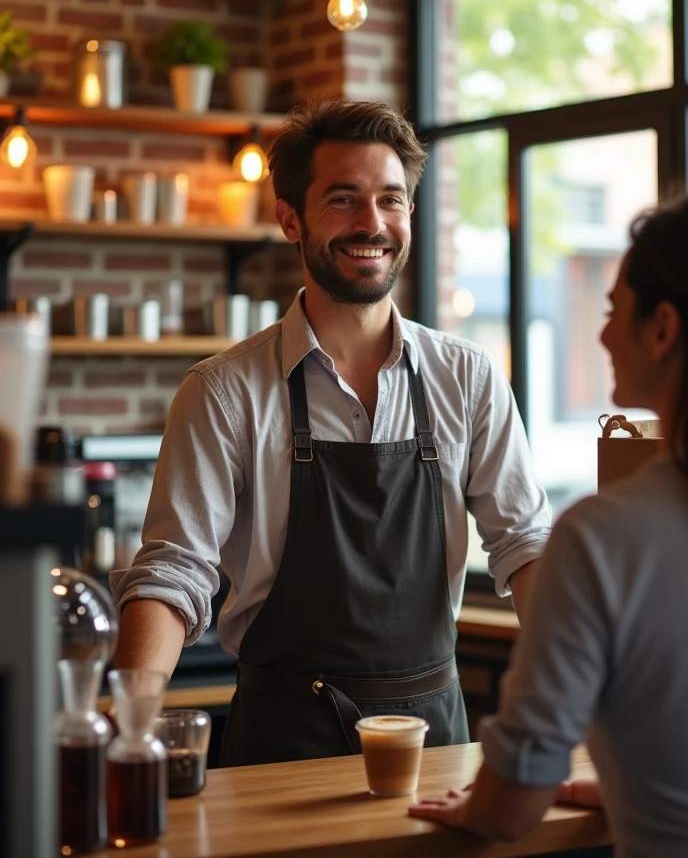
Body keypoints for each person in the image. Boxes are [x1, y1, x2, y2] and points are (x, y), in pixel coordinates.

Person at [110, 98, 551, 767]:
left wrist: (595, 678)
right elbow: (174, 572)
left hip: (436, 747)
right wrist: (129, 724)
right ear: (291, 217)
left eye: (392, 200)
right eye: (343, 199)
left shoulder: (467, 376)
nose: (372, 223)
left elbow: (524, 545)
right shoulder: (224, 390)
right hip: (282, 747)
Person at [409, 195, 688, 858]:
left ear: (662, 329)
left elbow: (509, 809)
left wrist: (488, 801)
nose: (600, 336)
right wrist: (621, 789)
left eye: (614, 310)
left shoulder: (604, 537)